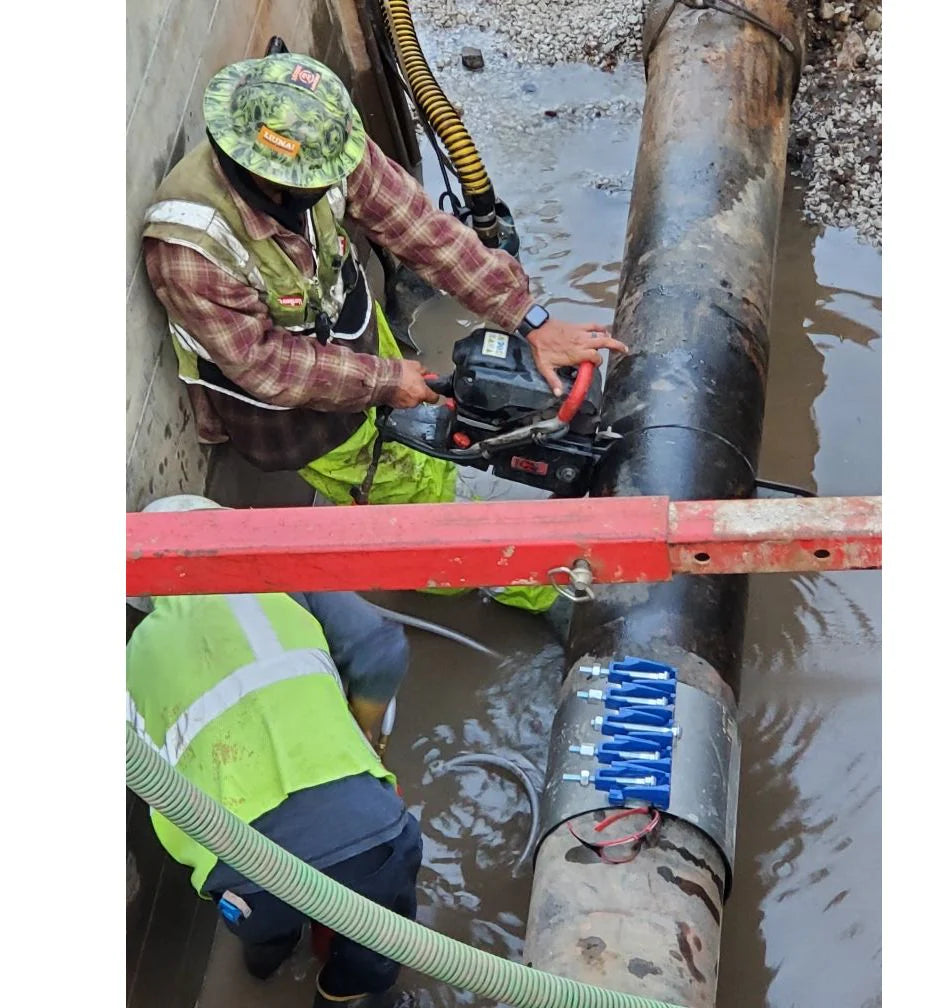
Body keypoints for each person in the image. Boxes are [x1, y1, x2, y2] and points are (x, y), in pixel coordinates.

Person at [141, 50, 627, 614]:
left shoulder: (326, 143)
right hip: (294, 415)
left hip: (359, 336)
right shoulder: (191, 247)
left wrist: (527, 317)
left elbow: (422, 231)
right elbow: (265, 367)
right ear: (263, 170)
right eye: (319, 180)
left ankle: (439, 486)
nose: (338, 180)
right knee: (421, 522)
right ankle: (548, 594)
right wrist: (385, 381)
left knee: (435, 450)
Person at [127, 495, 421, 1007]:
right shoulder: (277, 582)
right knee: (372, 947)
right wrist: (364, 734)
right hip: (365, 839)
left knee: (263, 922)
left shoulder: (133, 657)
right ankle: (341, 994)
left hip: (242, 877)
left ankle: (266, 959)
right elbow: (382, 650)